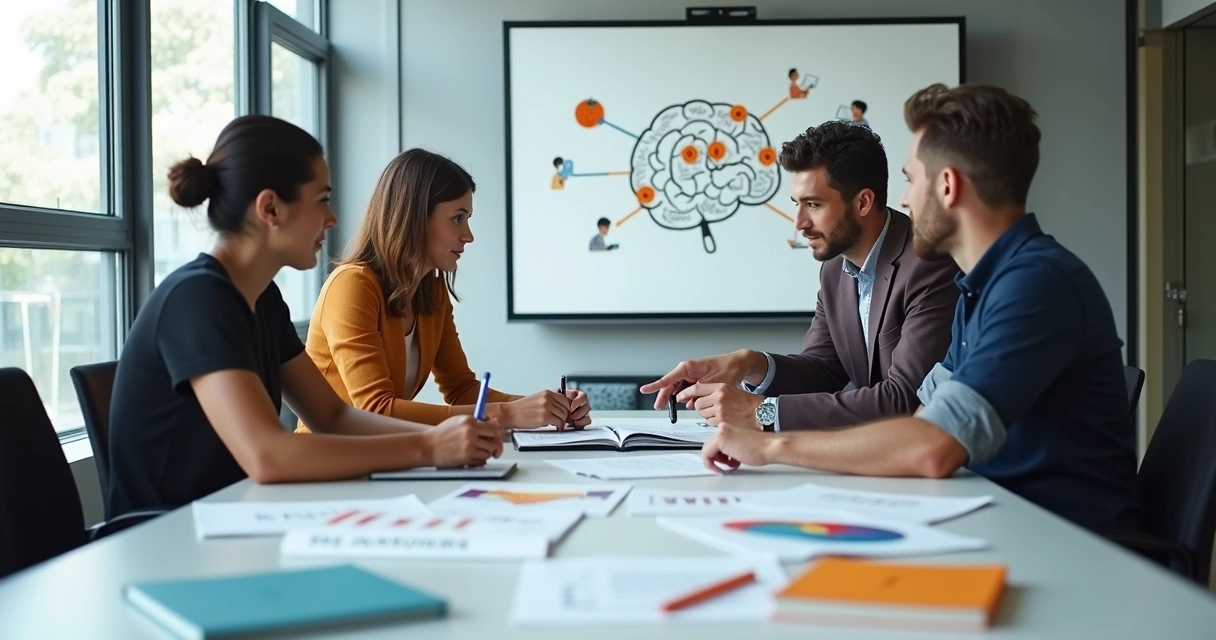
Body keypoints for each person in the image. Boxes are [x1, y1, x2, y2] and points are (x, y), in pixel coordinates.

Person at [700, 83, 1142, 532]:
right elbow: (920, 416)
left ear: (947, 185)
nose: (905, 199)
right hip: (998, 513)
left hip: (1066, 541)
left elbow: (933, 446)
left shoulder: (1035, 285)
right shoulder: (985, 286)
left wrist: (773, 442)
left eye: (912, 180)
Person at [106, 116, 502, 519]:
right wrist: (430, 447)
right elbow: (267, 455)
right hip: (168, 536)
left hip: (234, 516)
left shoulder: (262, 298)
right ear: (271, 208)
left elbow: (333, 416)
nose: (332, 218)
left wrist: (452, 438)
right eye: (322, 199)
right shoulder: (198, 299)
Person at [642, 121, 959, 431]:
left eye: (814, 204)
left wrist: (762, 412)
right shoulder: (835, 268)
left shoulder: (929, 265)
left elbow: (904, 399)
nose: (799, 223)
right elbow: (823, 369)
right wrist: (746, 363)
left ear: (863, 202)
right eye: (797, 204)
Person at [300, 148, 591, 432]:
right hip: (326, 468)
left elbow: (461, 389)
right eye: (457, 218)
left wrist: (548, 407)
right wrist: (508, 414)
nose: (468, 235)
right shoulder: (352, 286)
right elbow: (376, 409)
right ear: (413, 217)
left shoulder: (432, 290)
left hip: (384, 463)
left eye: (468, 219)